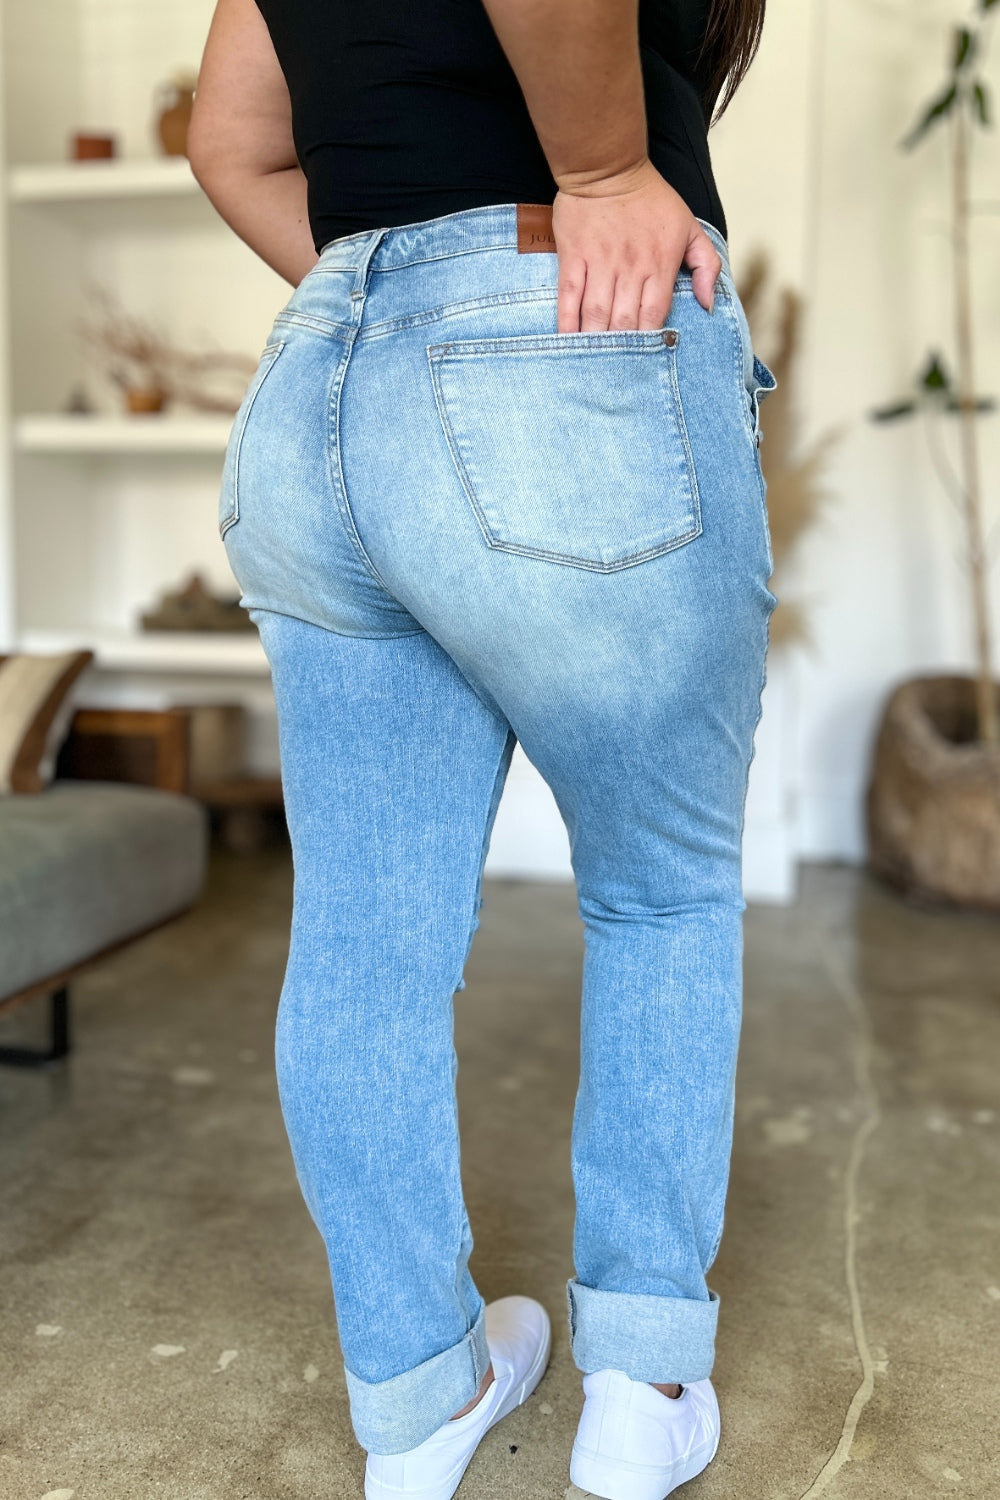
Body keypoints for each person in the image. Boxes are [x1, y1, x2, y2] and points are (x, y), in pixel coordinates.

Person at [189, 1, 774, 1495]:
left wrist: (393, 301)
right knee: (662, 892)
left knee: (365, 943)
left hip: (316, 383)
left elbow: (230, 143)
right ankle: (640, 1393)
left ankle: (418, 1397)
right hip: (554, 337)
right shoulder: (594, 188)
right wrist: (595, 177)